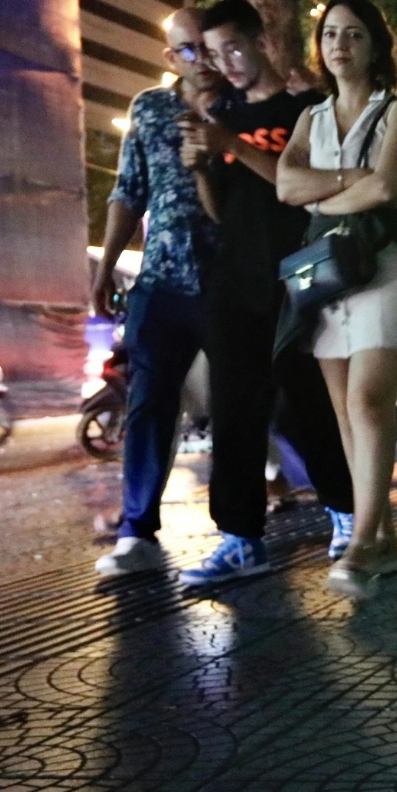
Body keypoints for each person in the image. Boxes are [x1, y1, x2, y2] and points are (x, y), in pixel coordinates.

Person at [174, 0, 356, 586]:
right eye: (213, 52)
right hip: (234, 280)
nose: (225, 63)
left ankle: (347, 513)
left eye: (233, 48)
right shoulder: (222, 115)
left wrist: (228, 141)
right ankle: (240, 538)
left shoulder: (307, 110)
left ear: (261, 41)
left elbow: (299, 189)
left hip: (298, 276)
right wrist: (202, 163)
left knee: (309, 403)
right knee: (234, 411)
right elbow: (219, 209)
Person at [275, 0, 397, 598]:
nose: (340, 44)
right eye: (331, 34)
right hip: (324, 276)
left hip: (383, 264)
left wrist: (323, 196)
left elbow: (388, 186)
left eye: (355, 34)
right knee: (344, 412)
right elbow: (286, 186)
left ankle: (362, 539)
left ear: (375, 47)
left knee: (369, 402)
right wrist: (349, 184)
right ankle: (384, 539)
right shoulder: (308, 120)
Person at [92, 9, 223, 576]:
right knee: (149, 404)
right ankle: (136, 532)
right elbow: (129, 191)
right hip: (162, 283)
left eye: (209, 47)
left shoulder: (244, 106)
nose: (203, 59)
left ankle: (257, 524)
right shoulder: (148, 108)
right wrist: (106, 270)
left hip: (230, 282)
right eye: (187, 50)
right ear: (171, 57)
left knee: (253, 400)